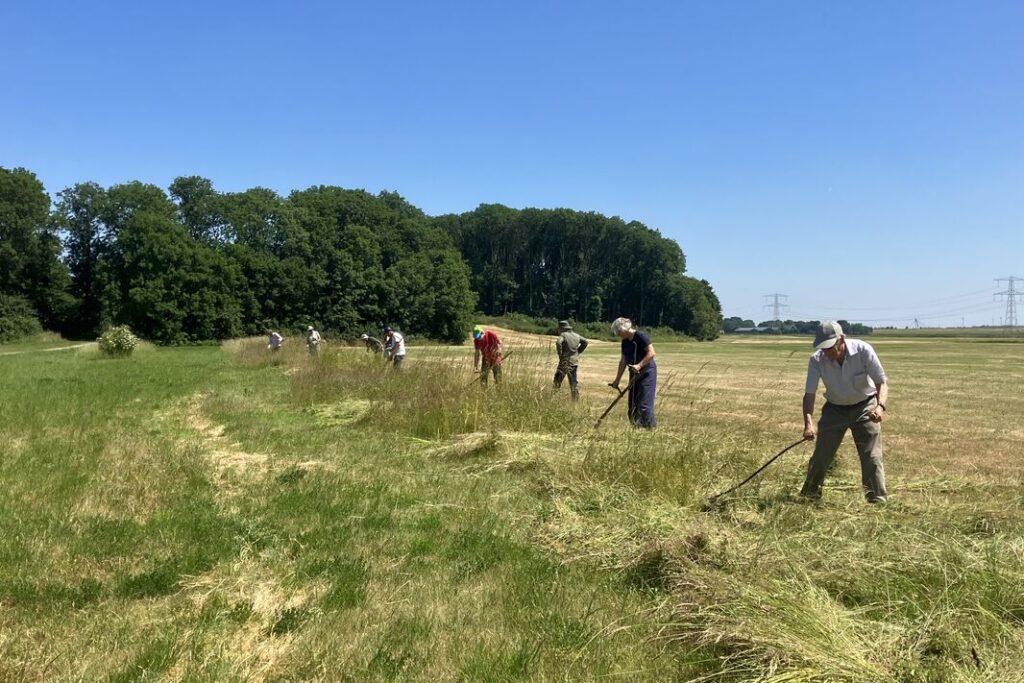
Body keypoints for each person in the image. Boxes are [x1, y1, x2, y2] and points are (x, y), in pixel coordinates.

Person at [800, 321, 889, 504]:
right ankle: (810, 495)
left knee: (871, 456)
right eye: (823, 348)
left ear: (842, 339)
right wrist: (808, 423)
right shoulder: (817, 359)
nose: (827, 353)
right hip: (834, 409)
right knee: (821, 456)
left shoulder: (863, 350)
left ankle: (877, 500)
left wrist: (880, 407)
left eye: (830, 348)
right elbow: (809, 394)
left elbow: (881, 382)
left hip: (865, 406)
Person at [609, 317, 656, 428]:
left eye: (619, 332)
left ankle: (648, 430)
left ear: (624, 329)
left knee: (644, 403)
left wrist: (639, 365)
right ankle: (635, 428)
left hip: (646, 372)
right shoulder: (625, 341)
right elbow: (623, 361)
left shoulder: (640, 336)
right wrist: (617, 380)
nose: (618, 335)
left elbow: (652, 353)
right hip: (634, 373)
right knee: (633, 403)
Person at [553, 320, 588, 401]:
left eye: (559, 329)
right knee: (573, 383)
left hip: (564, 362)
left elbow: (558, 342)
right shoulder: (576, 335)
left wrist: (560, 355)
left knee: (557, 381)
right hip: (574, 362)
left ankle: (554, 398)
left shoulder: (563, 335)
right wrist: (578, 352)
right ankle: (575, 401)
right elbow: (585, 342)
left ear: (562, 328)